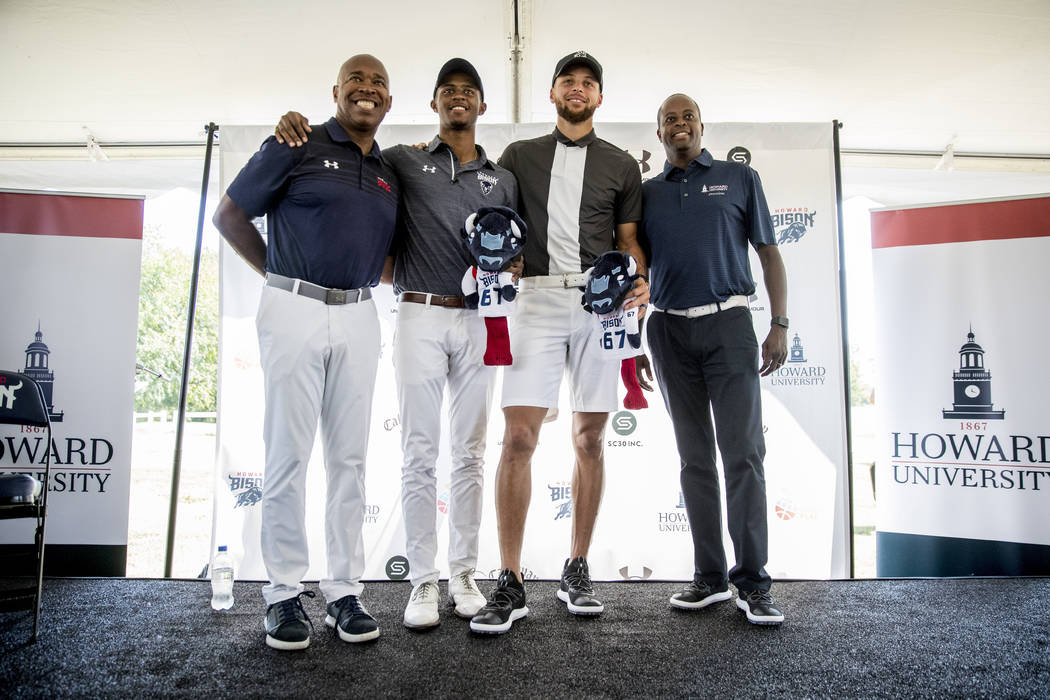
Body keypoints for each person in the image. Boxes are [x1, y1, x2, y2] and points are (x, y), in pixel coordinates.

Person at [273, 59, 519, 630]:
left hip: (482, 319)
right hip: (419, 315)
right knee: (418, 453)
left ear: (483, 107)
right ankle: (423, 581)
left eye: (469, 92)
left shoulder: (502, 178)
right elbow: (354, 163)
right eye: (447, 91)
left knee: (472, 453)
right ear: (433, 104)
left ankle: (463, 572)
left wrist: (506, 268)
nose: (459, 98)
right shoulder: (402, 160)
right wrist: (294, 124)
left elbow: (517, 249)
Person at [212, 54, 397, 650]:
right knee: (288, 455)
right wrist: (279, 274)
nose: (367, 91)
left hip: (360, 313)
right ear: (337, 92)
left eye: (378, 84)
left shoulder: (390, 171)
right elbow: (230, 214)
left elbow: (393, 255)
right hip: (292, 308)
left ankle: (344, 592)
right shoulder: (296, 141)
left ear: (388, 100)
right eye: (356, 82)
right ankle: (283, 594)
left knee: (350, 461)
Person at [468, 51, 650, 635]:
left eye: (588, 83)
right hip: (536, 301)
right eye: (568, 82)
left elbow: (629, 241)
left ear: (600, 98)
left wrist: (640, 277)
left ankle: (576, 566)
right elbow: (497, 224)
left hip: (602, 306)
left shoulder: (622, 165)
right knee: (519, 435)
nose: (577, 90)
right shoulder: (519, 156)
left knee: (590, 438)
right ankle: (511, 579)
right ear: (552, 94)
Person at [639, 93, 788, 625]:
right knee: (694, 459)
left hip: (730, 326)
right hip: (668, 329)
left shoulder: (739, 179)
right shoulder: (646, 194)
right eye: (668, 120)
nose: (679, 125)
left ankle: (754, 581)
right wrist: (636, 340)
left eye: (687, 117)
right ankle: (709, 577)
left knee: (744, 453)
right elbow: (637, 272)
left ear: (701, 127)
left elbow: (769, 253)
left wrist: (779, 323)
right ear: (658, 134)